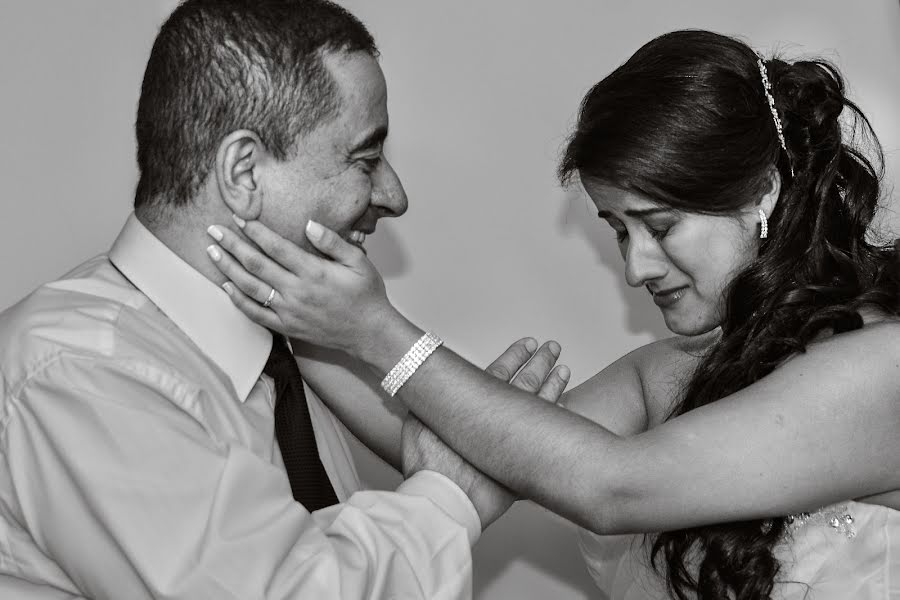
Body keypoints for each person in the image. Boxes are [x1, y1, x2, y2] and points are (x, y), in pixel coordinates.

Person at [209, 30, 900, 599]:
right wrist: (297, 314)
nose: (638, 267)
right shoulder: (672, 370)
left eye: (659, 226)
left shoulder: (880, 365)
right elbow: (468, 452)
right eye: (618, 231)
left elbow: (612, 488)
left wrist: (380, 332)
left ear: (764, 193)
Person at [0, 1, 572, 598]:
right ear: (244, 173)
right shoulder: (80, 372)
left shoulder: (287, 348)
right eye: (367, 159)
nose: (394, 196)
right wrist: (446, 497)